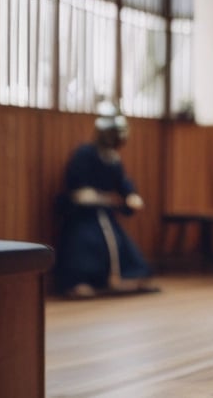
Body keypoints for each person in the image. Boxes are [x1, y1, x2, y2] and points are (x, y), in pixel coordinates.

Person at [54, 99, 156, 298]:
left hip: (106, 215)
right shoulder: (84, 154)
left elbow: (123, 183)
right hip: (83, 216)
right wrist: (102, 198)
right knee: (87, 244)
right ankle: (80, 282)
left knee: (121, 246)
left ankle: (120, 280)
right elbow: (77, 190)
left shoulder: (113, 159)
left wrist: (131, 195)